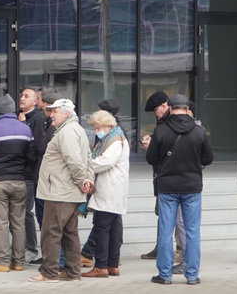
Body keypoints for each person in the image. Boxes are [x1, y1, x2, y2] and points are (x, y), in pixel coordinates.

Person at [146, 94, 214, 285]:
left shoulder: (161, 130)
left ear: (170, 107)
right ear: (187, 109)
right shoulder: (199, 131)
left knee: (165, 231)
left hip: (167, 187)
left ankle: (165, 275)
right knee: (192, 231)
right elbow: (208, 159)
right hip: (192, 186)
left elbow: (151, 158)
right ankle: (192, 275)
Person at [29, 98, 94, 283]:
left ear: (66, 113)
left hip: (60, 191)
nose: (51, 115)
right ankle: (72, 272)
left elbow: (74, 160)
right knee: (69, 233)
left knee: (51, 232)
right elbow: (88, 159)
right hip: (68, 191)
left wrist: (83, 181)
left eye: (55, 111)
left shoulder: (67, 132)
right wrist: (87, 180)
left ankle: (49, 272)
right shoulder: (77, 130)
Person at [0, 107, 35, 272]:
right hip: (20, 181)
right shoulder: (26, 129)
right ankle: (19, 262)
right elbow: (31, 156)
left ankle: (1, 261)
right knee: (19, 223)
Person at [139, 90, 186, 271]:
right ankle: (162, 248)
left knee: (179, 219)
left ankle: (182, 254)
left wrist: (153, 146)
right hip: (163, 177)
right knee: (164, 215)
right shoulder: (163, 123)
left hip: (175, 179)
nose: (155, 114)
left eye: (156, 110)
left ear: (166, 106)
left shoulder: (176, 124)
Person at [81, 109, 129, 278]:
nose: (96, 131)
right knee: (114, 228)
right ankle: (112, 265)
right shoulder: (114, 138)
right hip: (113, 190)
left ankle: (101, 266)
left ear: (106, 125)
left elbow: (106, 162)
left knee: (102, 228)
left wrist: (87, 165)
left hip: (109, 189)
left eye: (97, 127)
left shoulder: (115, 140)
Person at [18, 87, 49, 263]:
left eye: (26, 96)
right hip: (23, 173)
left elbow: (37, 147)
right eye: (21, 95)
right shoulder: (21, 117)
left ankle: (34, 250)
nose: (22, 98)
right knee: (26, 212)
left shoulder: (37, 119)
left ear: (36, 101)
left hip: (33, 173)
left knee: (31, 213)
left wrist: (22, 126)